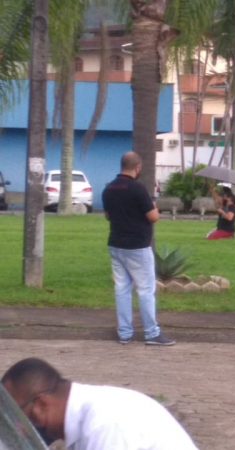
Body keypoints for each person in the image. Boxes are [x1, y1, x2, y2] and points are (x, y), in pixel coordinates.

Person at [2, 357, 197, 449]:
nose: (21, 429)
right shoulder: (90, 418)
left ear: (42, 404)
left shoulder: (105, 423)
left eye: (20, 416)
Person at [102, 152, 174, 346]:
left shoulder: (109, 189)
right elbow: (153, 217)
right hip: (137, 246)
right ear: (138, 167)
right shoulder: (138, 189)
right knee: (145, 289)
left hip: (116, 243)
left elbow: (108, 216)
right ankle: (152, 333)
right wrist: (153, 206)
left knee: (122, 289)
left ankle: (125, 333)